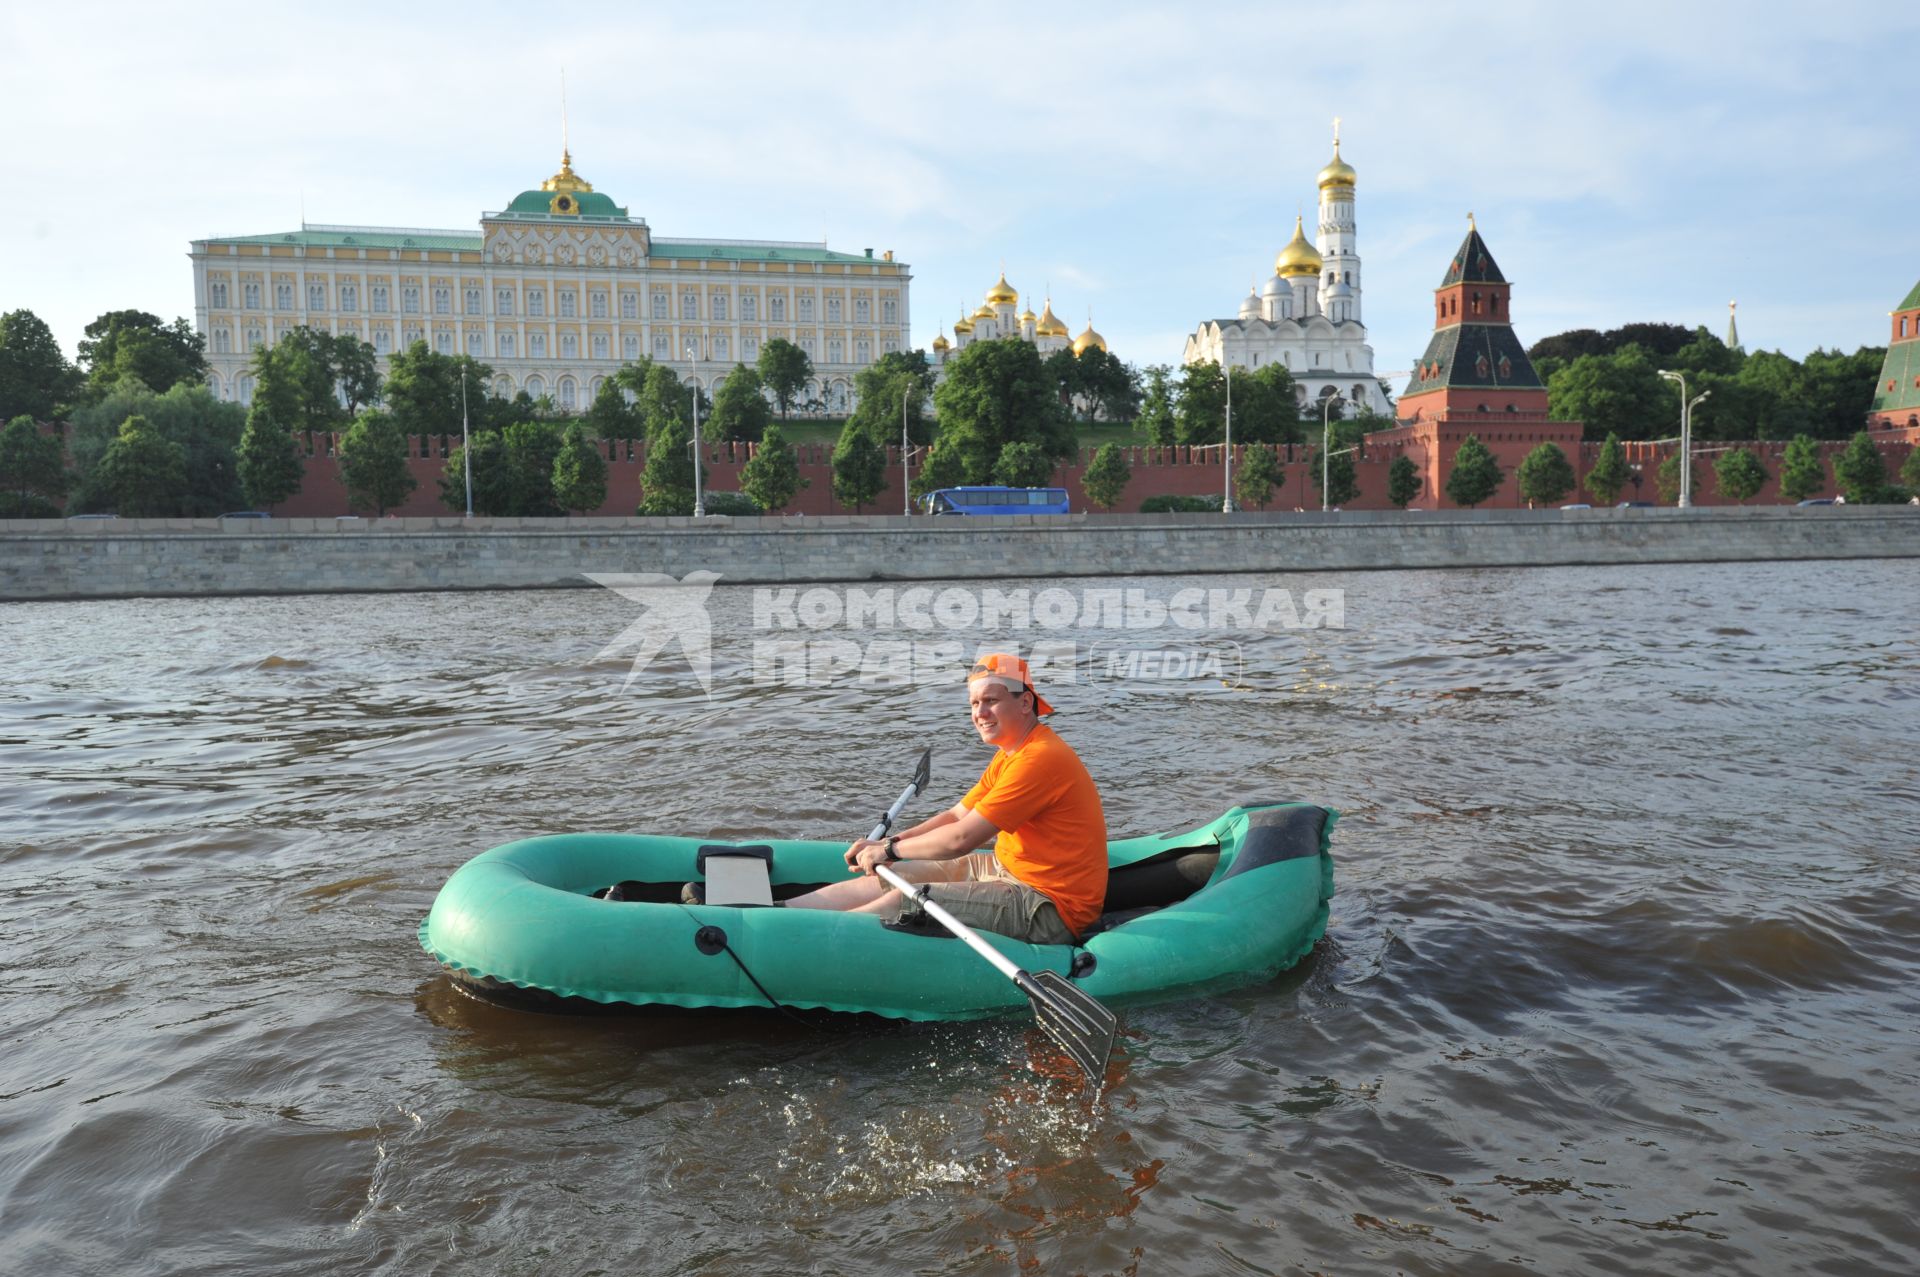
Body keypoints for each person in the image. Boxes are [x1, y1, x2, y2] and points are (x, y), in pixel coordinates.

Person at [785, 653, 1107, 945]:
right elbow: (956, 816)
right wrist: (887, 847)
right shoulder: (1011, 752)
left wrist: (889, 849)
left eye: (991, 701)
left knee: (906, 899)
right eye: (973, 703)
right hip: (1005, 869)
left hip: (1047, 904)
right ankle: (776, 913)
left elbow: (961, 839)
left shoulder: (1039, 758)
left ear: (1025, 703)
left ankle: (799, 943)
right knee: (893, 877)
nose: (979, 713)